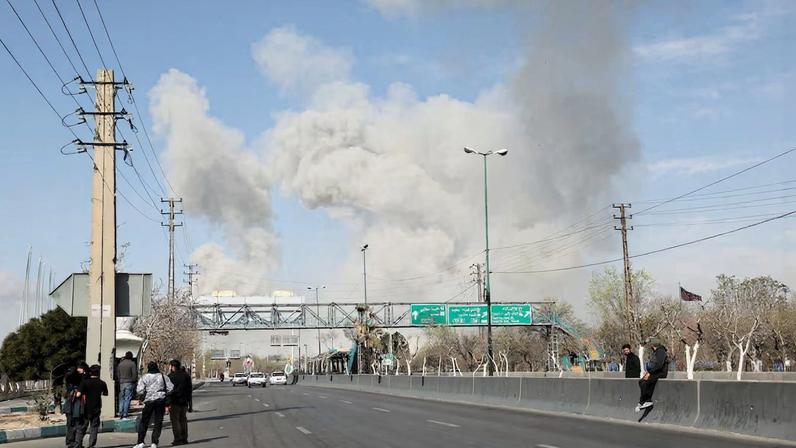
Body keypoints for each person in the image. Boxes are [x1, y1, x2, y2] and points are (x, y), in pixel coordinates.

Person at [134, 362, 174, 448]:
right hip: (160, 401)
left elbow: (139, 390)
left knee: (144, 421)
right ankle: (154, 443)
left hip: (149, 401)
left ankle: (140, 442)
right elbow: (170, 388)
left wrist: (146, 393)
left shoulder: (144, 377)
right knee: (158, 422)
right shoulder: (163, 376)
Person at [74, 364, 108, 448]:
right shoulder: (102, 383)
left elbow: (78, 395)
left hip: (85, 408)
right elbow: (105, 393)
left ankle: (78, 444)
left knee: (82, 427)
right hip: (96, 408)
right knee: (94, 427)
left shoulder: (85, 382)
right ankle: (91, 445)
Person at [636, 338, 669, 412]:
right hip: (655, 372)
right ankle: (642, 401)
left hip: (661, 373)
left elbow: (659, 365)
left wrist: (650, 373)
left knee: (646, 382)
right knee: (641, 382)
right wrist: (648, 372)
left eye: (651, 344)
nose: (650, 346)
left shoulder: (661, 351)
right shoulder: (656, 351)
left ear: (654, 345)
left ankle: (648, 401)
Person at [167, 360, 192, 446]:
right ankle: (184, 438)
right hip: (184, 402)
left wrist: (167, 403)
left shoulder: (170, 377)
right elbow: (189, 390)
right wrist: (190, 404)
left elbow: (168, 391)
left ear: (173, 367)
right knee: (183, 420)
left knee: (175, 421)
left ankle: (178, 439)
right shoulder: (186, 376)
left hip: (174, 402)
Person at [65, 362, 88, 448]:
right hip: (77, 406)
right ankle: (77, 444)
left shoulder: (68, 382)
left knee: (70, 424)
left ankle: (70, 442)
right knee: (79, 425)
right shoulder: (81, 381)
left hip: (69, 405)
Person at [117, 351, 138, 419]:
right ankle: (125, 413)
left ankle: (121, 412)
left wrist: (119, 380)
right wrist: (134, 381)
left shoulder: (120, 364)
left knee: (121, 398)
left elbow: (118, 374)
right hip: (129, 382)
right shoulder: (132, 364)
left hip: (121, 382)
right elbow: (134, 374)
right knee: (127, 398)